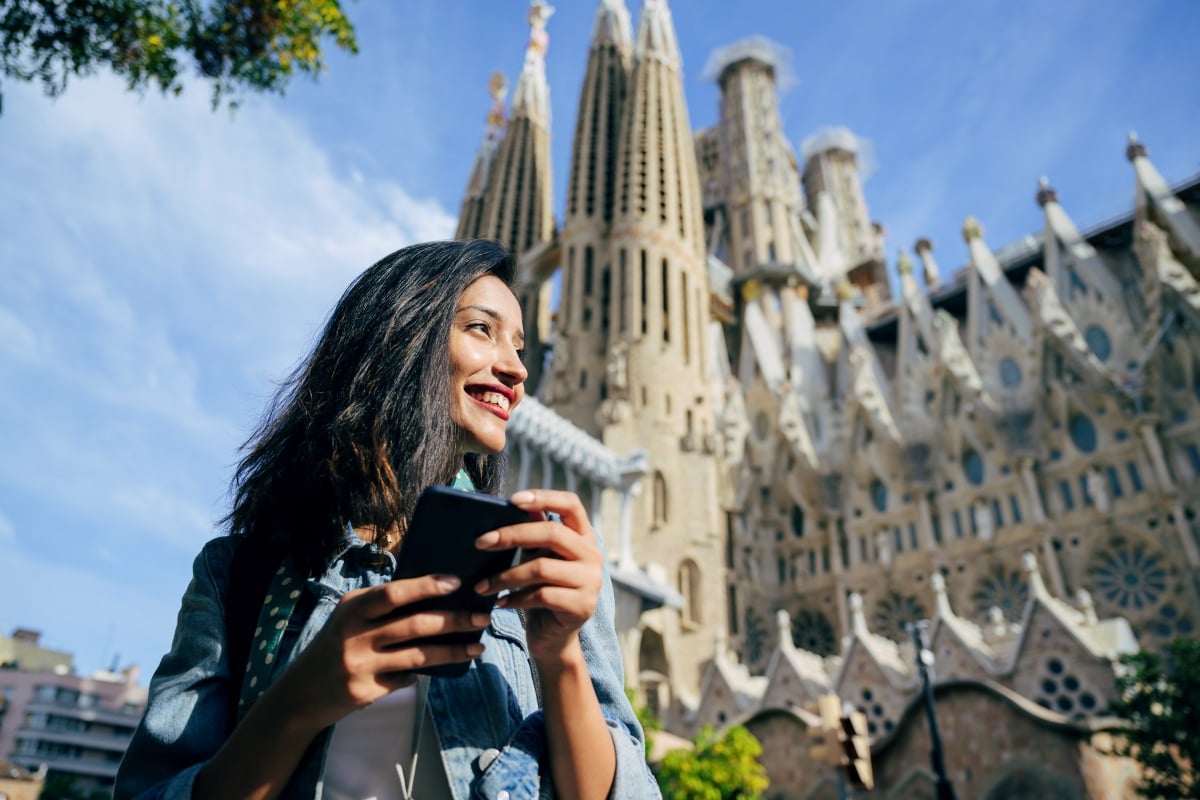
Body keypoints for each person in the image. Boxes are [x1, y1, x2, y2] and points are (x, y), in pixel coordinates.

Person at [115, 240, 660, 800]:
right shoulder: (238, 576)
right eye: (481, 329)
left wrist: (561, 654)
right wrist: (298, 703)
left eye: (520, 346)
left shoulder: (542, 559)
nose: (518, 369)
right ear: (399, 337)